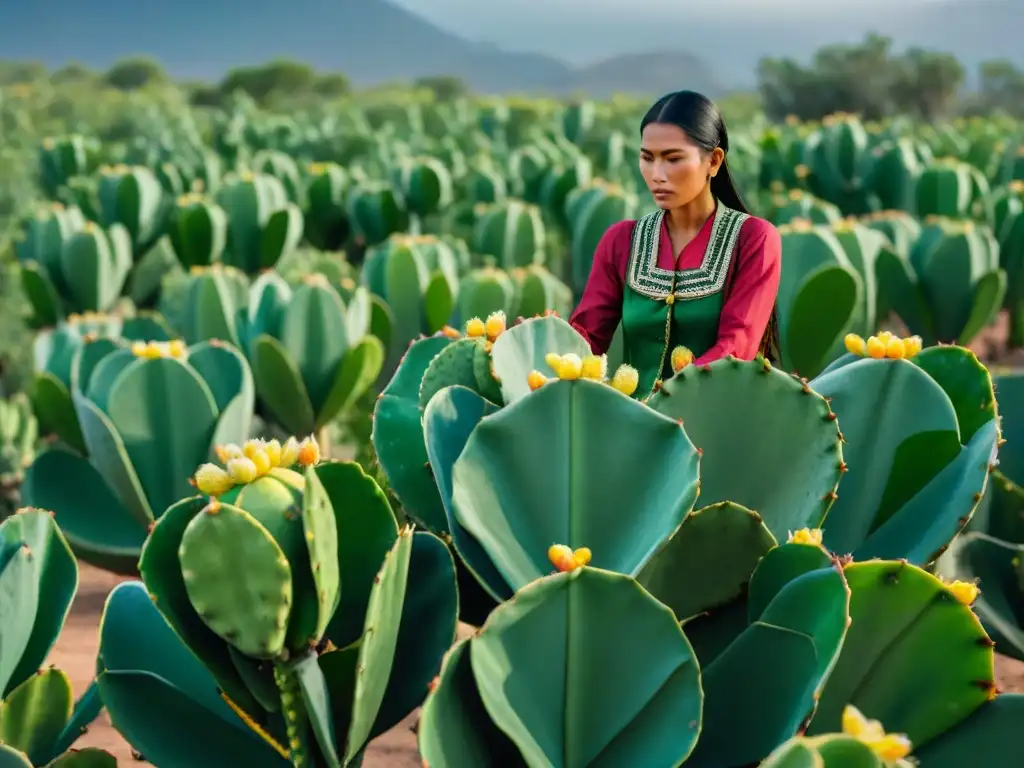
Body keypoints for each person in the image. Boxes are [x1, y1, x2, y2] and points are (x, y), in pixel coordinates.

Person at [568, 90, 782, 400]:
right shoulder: (621, 241)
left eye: (673, 159)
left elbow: (736, 347)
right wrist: (531, 342)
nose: (657, 175)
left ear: (714, 161)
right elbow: (586, 338)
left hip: (714, 426)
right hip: (632, 424)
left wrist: (663, 403)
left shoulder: (754, 239)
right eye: (647, 158)